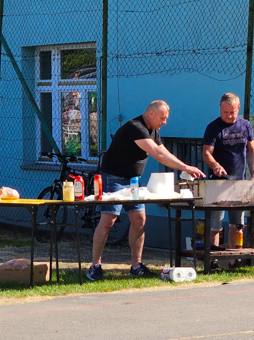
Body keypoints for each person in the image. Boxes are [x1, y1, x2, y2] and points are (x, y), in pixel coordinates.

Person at [87, 100, 205, 281]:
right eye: (162, 118)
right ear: (151, 113)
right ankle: (95, 266)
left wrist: (184, 167)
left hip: (133, 180)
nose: (165, 122)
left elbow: (164, 152)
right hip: (113, 177)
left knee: (139, 219)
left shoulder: (153, 131)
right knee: (108, 219)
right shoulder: (136, 127)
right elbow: (157, 154)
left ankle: (136, 266)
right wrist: (186, 167)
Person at [202, 93, 254, 267]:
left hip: (239, 182)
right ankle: (214, 260)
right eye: (225, 112)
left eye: (232, 112)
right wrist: (215, 165)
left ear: (238, 108)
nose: (229, 115)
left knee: (237, 223)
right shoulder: (213, 127)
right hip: (217, 182)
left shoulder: (245, 126)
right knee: (216, 224)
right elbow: (206, 153)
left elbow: (251, 150)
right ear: (220, 107)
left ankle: (235, 260)